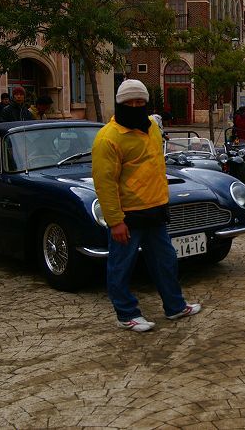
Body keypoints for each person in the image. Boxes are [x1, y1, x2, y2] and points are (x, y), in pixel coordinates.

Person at [92, 79, 201, 333]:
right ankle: (126, 314)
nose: (134, 106)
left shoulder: (152, 126)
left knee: (166, 262)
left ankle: (175, 306)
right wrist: (115, 221)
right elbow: (105, 183)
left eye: (139, 102)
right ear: (119, 104)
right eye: (129, 102)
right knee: (121, 266)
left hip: (155, 209)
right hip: (128, 215)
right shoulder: (108, 138)